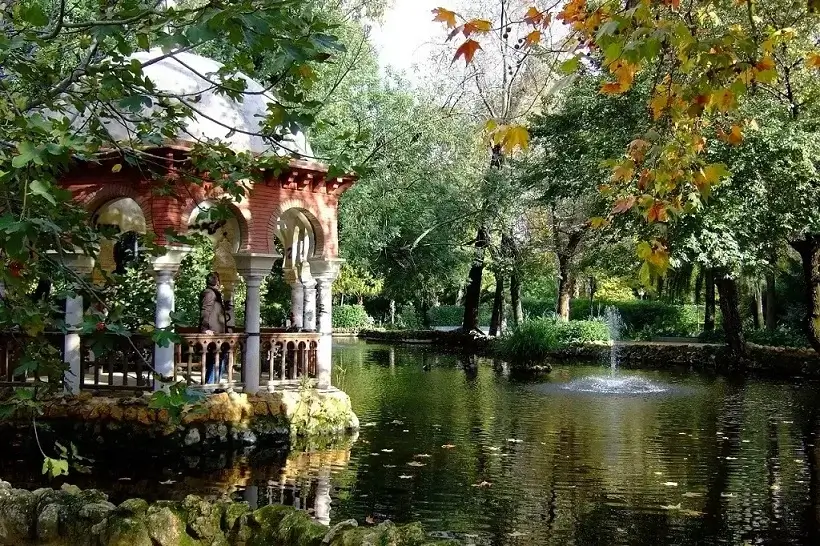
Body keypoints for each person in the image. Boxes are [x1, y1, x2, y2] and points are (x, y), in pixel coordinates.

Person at [199, 272, 228, 384]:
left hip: (218, 333)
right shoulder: (210, 293)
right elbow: (205, 310)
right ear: (216, 281)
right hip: (212, 333)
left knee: (219, 359)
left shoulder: (215, 294)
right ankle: (209, 386)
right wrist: (204, 328)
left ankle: (215, 384)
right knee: (214, 359)